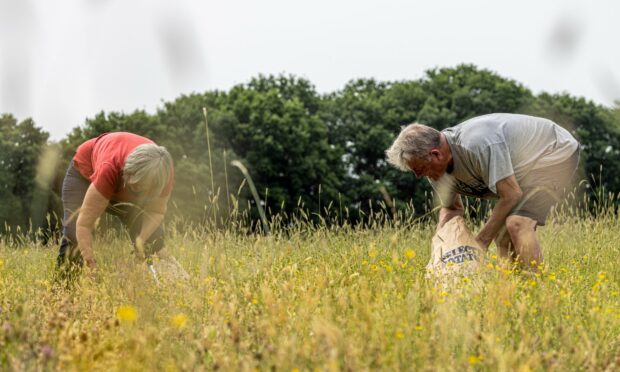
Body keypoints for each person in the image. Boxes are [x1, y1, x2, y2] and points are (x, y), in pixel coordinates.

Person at [386, 113, 580, 269]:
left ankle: (540, 295)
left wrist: (479, 243)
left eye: (420, 170)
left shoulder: (478, 144)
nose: (420, 177)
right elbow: (452, 210)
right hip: (521, 170)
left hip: (553, 152)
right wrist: (440, 248)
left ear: (435, 154)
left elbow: (511, 194)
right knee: (502, 234)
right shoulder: (436, 170)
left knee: (517, 223)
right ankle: (511, 294)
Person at [57, 131, 177, 277]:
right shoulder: (110, 168)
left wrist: (141, 240)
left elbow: (156, 212)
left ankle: (166, 286)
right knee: (73, 237)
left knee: (154, 239)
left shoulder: (163, 172)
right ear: (127, 174)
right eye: (135, 188)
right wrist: (91, 265)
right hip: (84, 176)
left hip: (121, 177)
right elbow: (83, 225)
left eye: (145, 191)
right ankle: (64, 294)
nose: (138, 195)